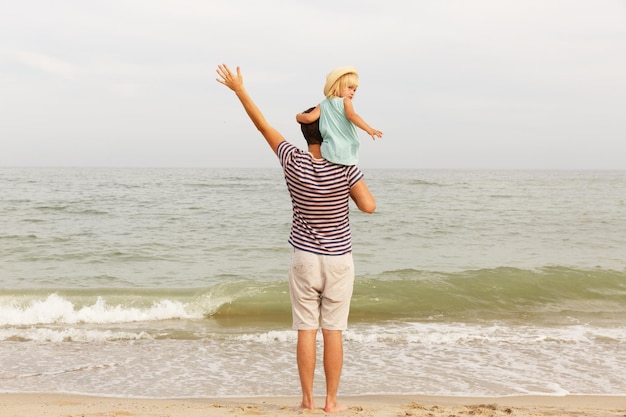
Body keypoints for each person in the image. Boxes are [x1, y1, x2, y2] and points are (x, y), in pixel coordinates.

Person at [215, 64, 375, 413]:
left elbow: (262, 126)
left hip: (303, 258)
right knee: (333, 331)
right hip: (338, 261)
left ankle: (306, 400)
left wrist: (240, 90)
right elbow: (368, 206)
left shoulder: (292, 160)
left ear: (307, 135)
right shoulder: (346, 167)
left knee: (306, 329)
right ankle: (331, 403)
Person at [296, 66, 383, 166]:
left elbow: (308, 118)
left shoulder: (323, 104)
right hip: (346, 148)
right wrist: (369, 129)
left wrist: (298, 116)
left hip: (329, 150)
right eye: (350, 88)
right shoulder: (345, 101)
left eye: (355, 90)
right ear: (336, 85)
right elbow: (352, 116)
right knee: (347, 172)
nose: (352, 93)